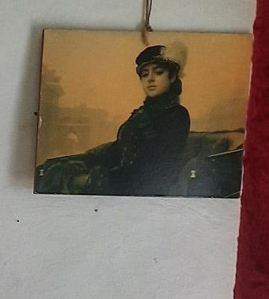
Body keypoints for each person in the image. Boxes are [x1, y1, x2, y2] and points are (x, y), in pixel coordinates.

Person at [36, 43, 192, 196]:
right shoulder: (141, 114)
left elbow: (155, 168)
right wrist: (82, 163)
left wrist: (91, 180)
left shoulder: (176, 115)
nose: (150, 79)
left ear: (172, 77)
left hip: (143, 189)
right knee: (50, 169)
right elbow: (118, 151)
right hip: (124, 180)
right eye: (145, 74)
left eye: (158, 72)